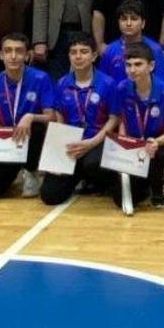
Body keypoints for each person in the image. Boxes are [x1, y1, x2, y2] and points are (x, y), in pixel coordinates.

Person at [95, 42, 164, 214]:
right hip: (133, 144)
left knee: (158, 154)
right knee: (122, 200)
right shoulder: (122, 88)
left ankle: (158, 184)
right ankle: (143, 181)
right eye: (128, 65)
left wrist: (156, 142)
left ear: (151, 66)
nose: (132, 70)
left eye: (138, 64)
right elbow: (121, 120)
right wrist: (123, 143)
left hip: (157, 143)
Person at [0, 33, 56, 201]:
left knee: (36, 126)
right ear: (1, 55)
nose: (13, 56)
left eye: (19, 51)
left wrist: (31, 116)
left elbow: (51, 117)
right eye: (8, 51)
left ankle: (32, 170)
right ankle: (15, 170)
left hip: (31, 137)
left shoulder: (41, 78)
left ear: (27, 55)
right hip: (7, 143)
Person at [40, 36, 115, 205]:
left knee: (93, 164)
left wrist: (91, 142)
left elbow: (114, 119)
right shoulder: (61, 83)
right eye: (73, 52)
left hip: (97, 141)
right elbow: (59, 116)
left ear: (94, 56)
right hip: (72, 144)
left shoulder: (108, 83)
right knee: (49, 196)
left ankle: (97, 181)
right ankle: (78, 176)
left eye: (84, 52)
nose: (78, 56)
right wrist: (58, 153)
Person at [99, 1, 164, 83]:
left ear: (143, 23)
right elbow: (102, 84)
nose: (128, 23)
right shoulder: (109, 51)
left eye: (134, 19)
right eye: (124, 19)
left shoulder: (155, 50)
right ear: (118, 22)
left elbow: (162, 84)